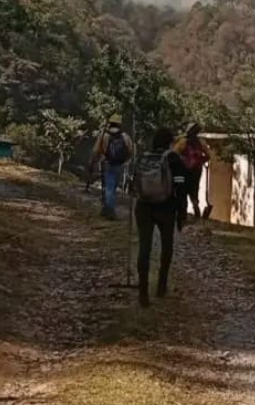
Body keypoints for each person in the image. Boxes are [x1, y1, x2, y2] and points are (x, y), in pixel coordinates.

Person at [130, 126, 189, 306]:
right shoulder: (173, 159)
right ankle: (161, 286)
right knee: (166, 247)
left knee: (144, 248)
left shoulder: (143, 157)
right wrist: (181, 213)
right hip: (166, 207)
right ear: (170, 142)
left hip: (144, 206)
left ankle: (143, 291)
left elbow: (133, 183)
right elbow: (181, 188)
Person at [87, 115, 133, 219]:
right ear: (120, 124)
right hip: (119, 165)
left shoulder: (104, 135)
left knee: (108, 187)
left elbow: (95, 151)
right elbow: (131, 151)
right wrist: (125, 161)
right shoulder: (125, 136)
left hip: (106, 163)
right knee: (112, 187)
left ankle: (109, 209)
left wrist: (92, 162)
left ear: (110, 123)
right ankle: (106, 209)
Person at [172, 123, 214, 222]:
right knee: (194, 191)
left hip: (183, 171)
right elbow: (208, 156)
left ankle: (183, 216)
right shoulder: (201, 142)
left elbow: (174, 154)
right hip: (196, 171)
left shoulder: (183, 142)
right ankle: (197, 213)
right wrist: (200, 161)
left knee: (182, 191)